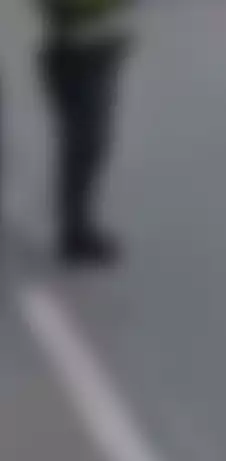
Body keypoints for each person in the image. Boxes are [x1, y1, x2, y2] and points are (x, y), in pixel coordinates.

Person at [36, 0, 132, 265]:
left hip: (95, 51)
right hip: (77, 54)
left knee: (90, 144)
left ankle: (76, 226)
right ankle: (74, 232)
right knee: (85, 143)